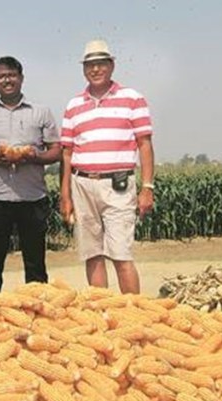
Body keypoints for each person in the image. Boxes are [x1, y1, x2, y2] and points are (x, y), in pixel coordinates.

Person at [59, 39, 155, 294]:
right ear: (84, 69)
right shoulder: (73, 106)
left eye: (101, 64)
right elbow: (67, 154)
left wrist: (147, 187)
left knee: (121, 254)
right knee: (92, 253)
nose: (95, 69)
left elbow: (144, 144)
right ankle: (102, 312)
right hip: (82, 183)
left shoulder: (132, 99)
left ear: (111, 66)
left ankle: (132, 313)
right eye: (90, 65)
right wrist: (65, 195)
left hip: (118, 184)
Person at [0, 56, 61, 293]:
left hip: (33, 199)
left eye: (11, 75)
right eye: (1, 76)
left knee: (35, 264)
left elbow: (56, 152)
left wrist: (33, 157)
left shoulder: (41, 112)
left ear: (21, 78)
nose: (6, 80)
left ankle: (38, 311)